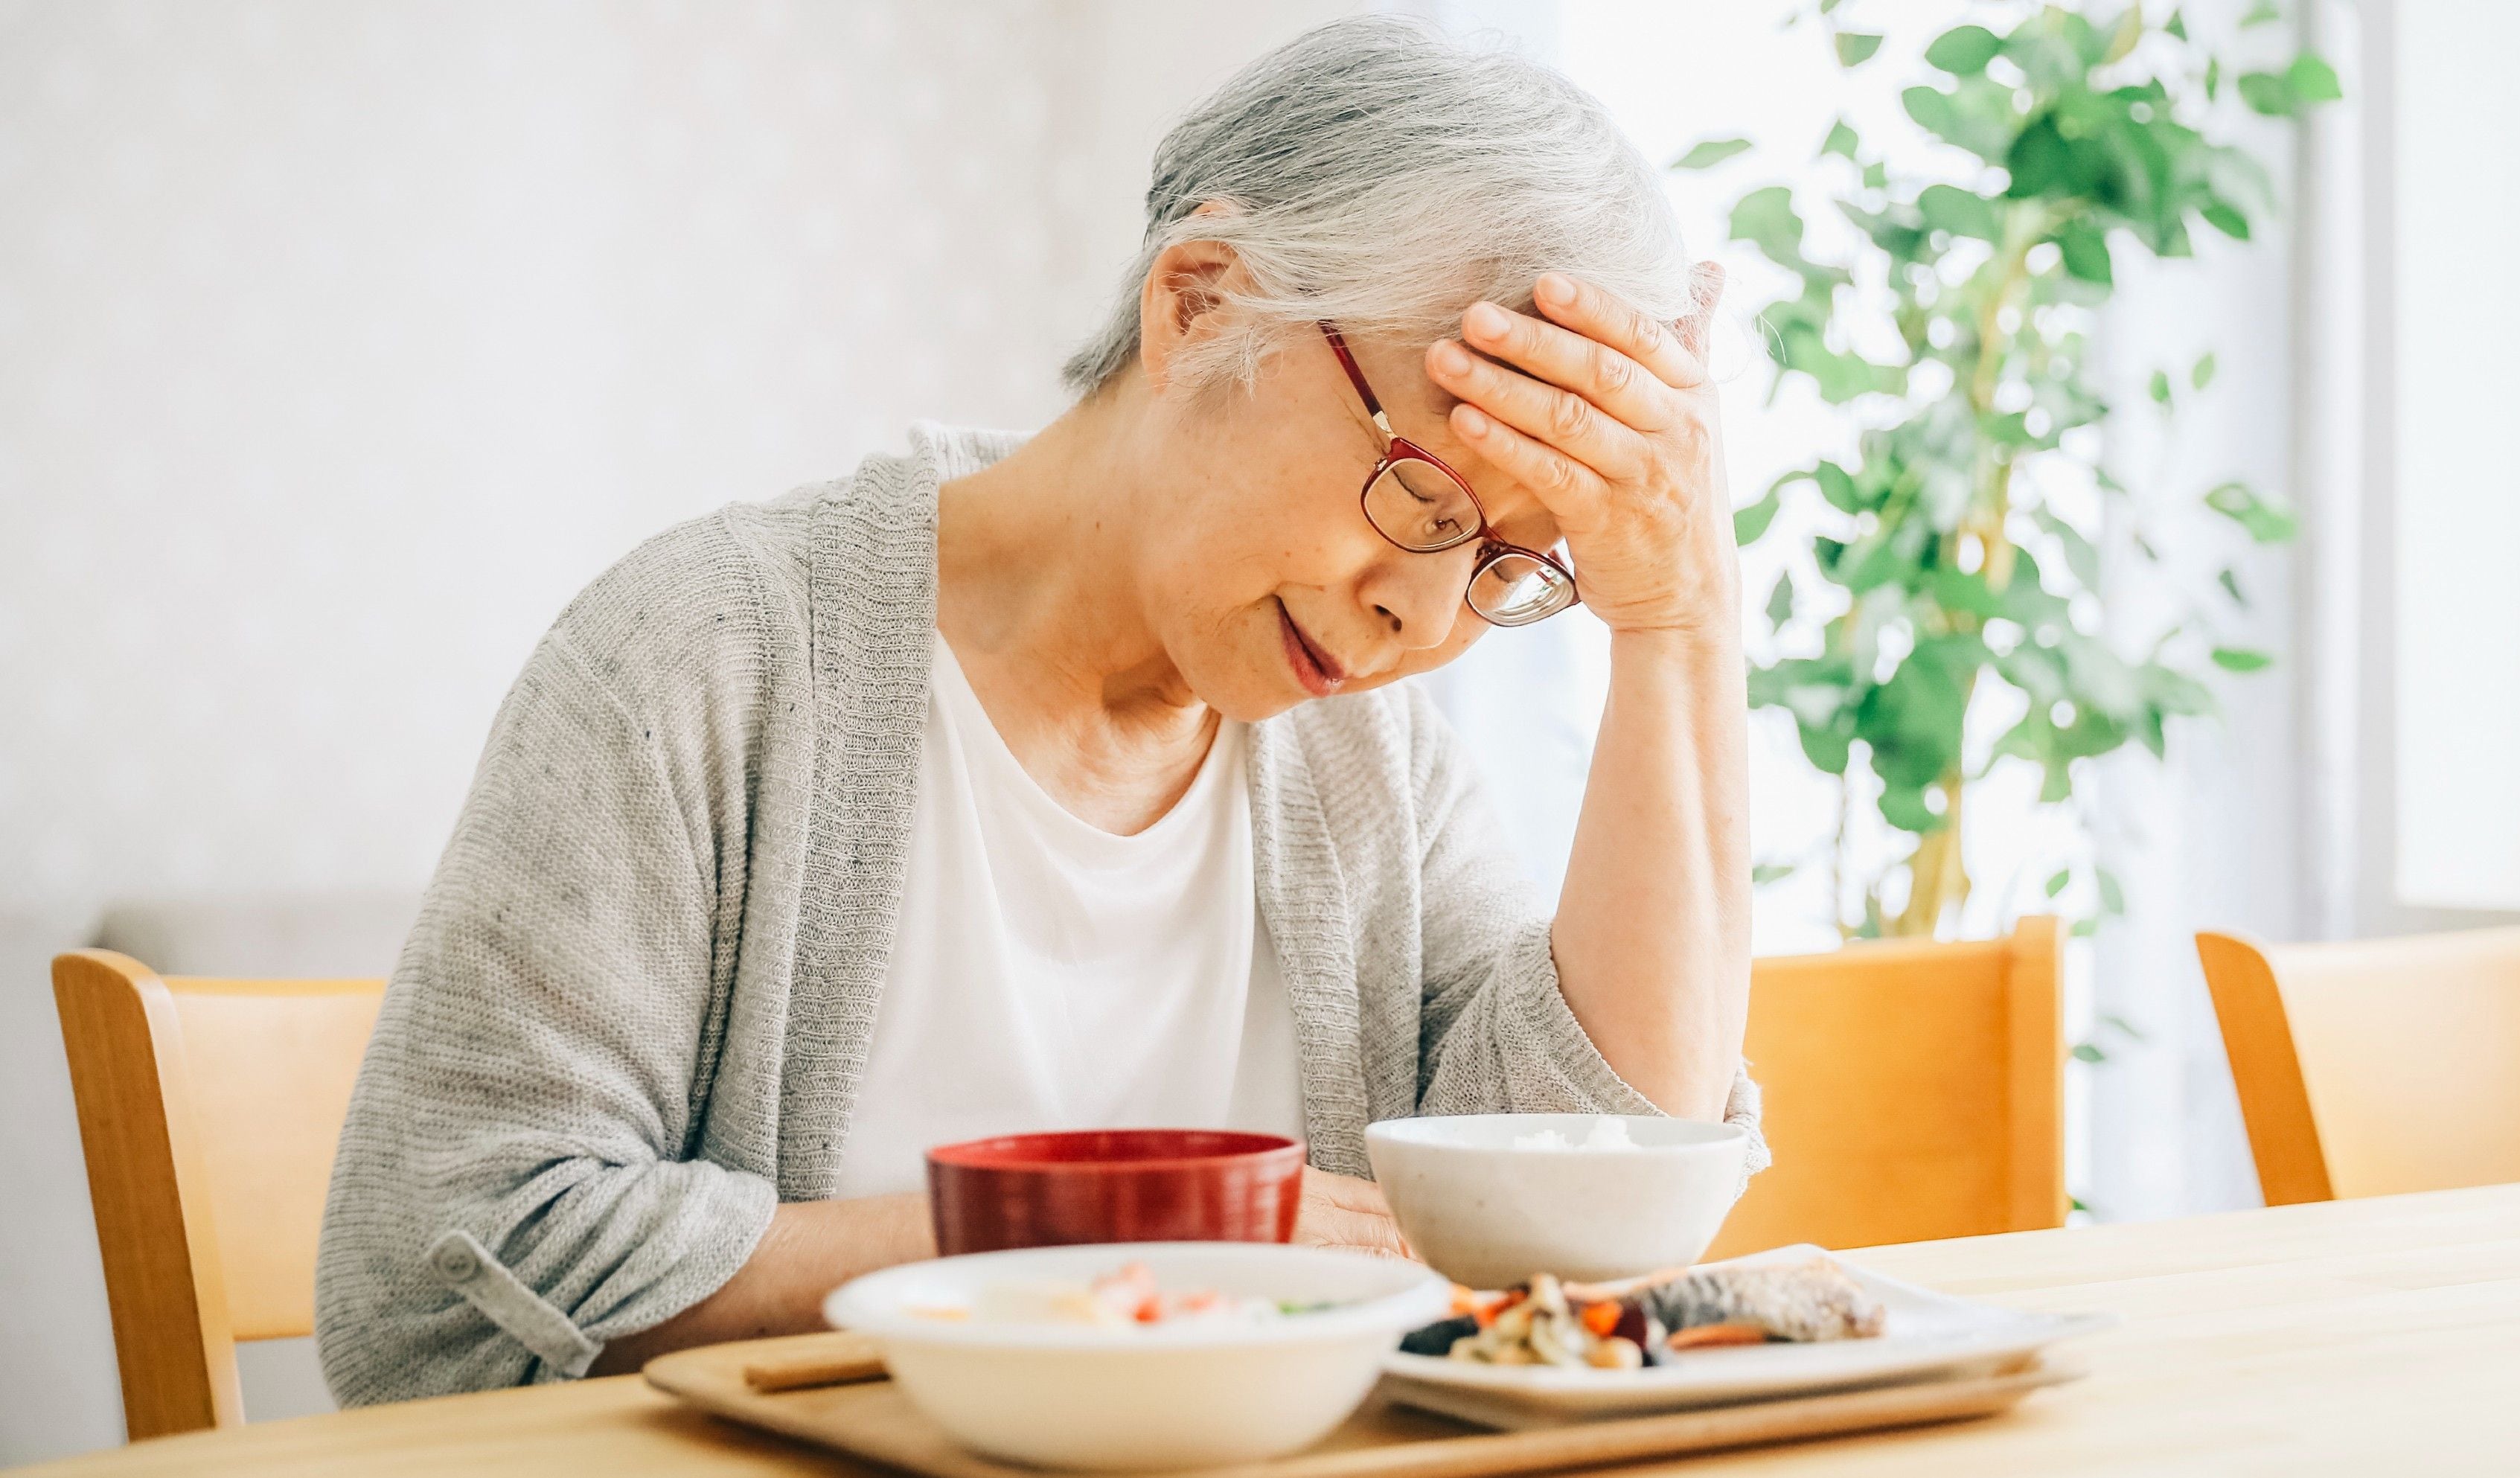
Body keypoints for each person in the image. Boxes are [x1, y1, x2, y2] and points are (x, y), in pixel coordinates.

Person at [315, 14, 1765, 1405]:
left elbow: (1587, 1215)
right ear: (1197, 305)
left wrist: (1680, 618)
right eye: (1420, 496)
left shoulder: (1363, 758)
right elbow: (433, 1302)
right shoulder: (705, 660)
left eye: (1506, 565)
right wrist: (1115, 1239)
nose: (1425, 619)